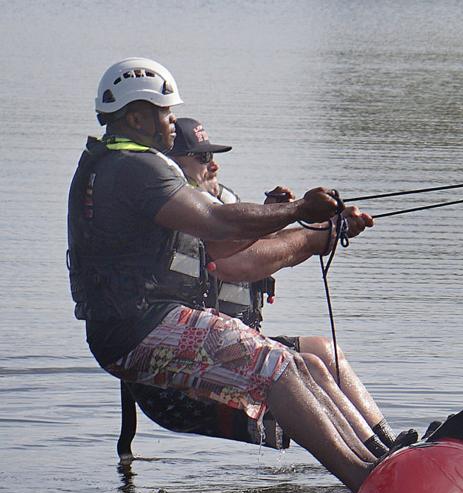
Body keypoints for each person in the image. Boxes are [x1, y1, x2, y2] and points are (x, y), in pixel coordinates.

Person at [67, 58, 379, 491]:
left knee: (298, 365)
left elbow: (223, 237)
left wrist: (289, 220)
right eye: (164, 111)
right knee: (276, 366)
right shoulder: (134, 167)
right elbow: (221, 224)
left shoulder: (115, 164)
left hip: (133, 325)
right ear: (136, 116)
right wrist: (299, 211)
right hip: (139, 325)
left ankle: (380, 461)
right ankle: (368, 481)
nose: (171, 119)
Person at [164, 117, 405, 458]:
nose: (214, 164)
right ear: (172, 165)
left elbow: (258, 245)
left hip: (231, 345)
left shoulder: (215, 207)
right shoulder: (181, 214)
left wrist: (275, 214)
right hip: (188, 374)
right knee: (309, 365)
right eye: (201, 157)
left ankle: (390, 446)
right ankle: (374, 459)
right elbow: (241, 263)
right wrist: (322, 232)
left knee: (325, 350)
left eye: (212, 156)